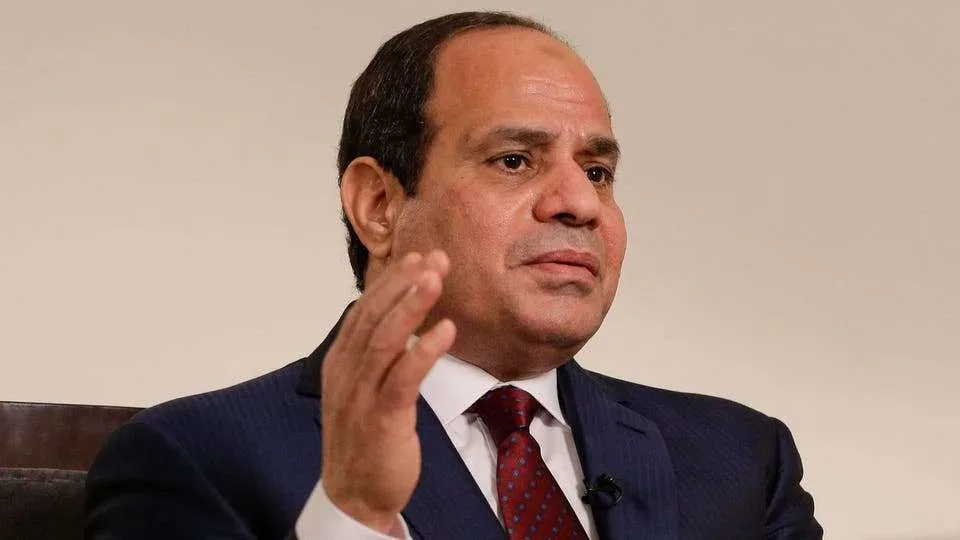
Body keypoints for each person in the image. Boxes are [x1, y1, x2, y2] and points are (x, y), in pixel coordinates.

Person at [85, 11, 822, 540]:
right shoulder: (196, 460)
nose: (580, 203)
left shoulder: (739, 459)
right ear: (379, 204)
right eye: (515, 160)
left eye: (598, 171)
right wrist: (356, 518)